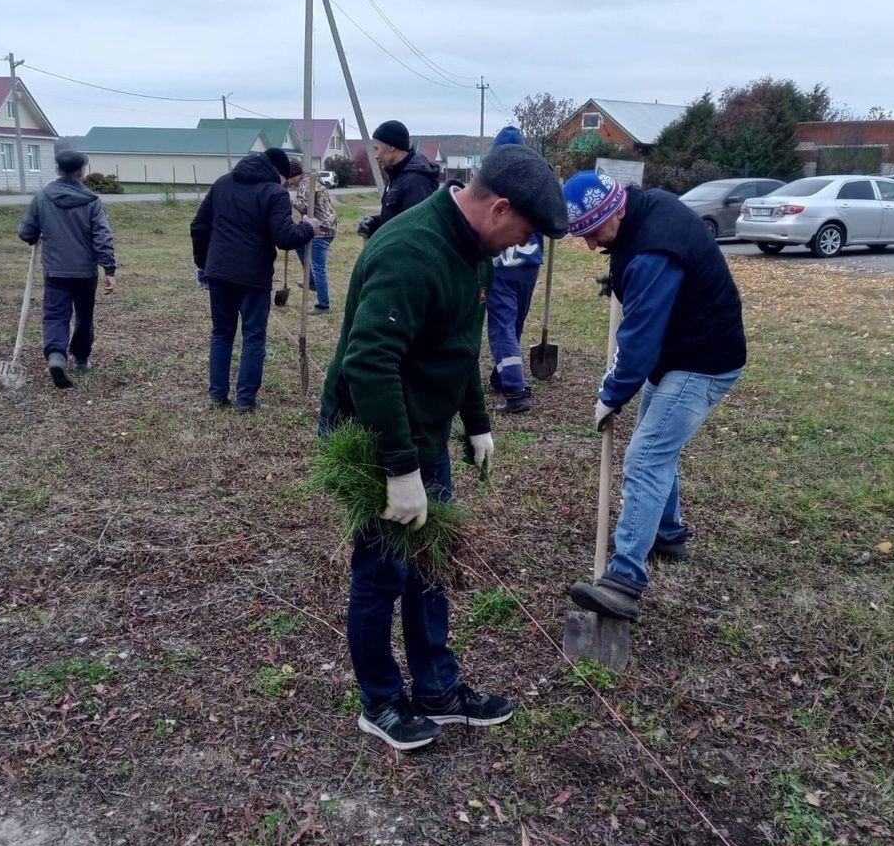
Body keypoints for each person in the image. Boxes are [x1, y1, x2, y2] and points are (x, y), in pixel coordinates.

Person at [320, 143, 569, 751]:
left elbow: (458, 347)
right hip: (373, 432)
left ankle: (437, 688)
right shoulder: (411, 252)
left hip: (424, 429)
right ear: (500, 207)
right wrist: (398, 468)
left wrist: (477, 420)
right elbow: (369, 363)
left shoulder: (474, 250)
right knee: (382, 573)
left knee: (430, 564)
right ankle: (379, 701)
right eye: (525, 230)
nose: (521, 244)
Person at [562, 171, 746, 622]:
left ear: (616, 209)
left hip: (703, 361)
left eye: (593, 232)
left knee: (646, 457)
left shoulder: (651, 254)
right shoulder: (648, 209)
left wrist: (612, 393)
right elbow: (643, 278)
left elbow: (639, 342)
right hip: (681, 352)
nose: (590, 245)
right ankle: (668, 532)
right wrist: (619, 276)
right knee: (656, 445)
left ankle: (624, 581)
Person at [190, 148, 320, 411]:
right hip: (253, 276)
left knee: (221, 333)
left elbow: (198, 226)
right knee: (253, 336)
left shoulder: (222, 183)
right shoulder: (275, 193)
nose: (285, 183)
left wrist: (204, 264)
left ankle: (217, 395)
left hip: (220, 273)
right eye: (285, 178)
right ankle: (246, 400)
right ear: (279, 172)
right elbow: (284, 237)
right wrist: (309, 228)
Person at [17, 149, 116, 389]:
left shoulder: (42, 197)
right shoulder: (92, 200)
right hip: (85, 271)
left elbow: (26, 231)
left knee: (55, 314)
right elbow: (102, 236)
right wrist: (109, 269)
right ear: (81, 171)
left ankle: (56, 356)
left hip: (55, 271)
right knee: (84, 315)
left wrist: (34, 235)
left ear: (58, 170)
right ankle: (81, 358)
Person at [484, 127, 544, 414]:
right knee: (514, 323)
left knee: (502, 327)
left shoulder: (492, 181)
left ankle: (516, 390)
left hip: (502, 266)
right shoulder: (534, 180)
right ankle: (502, 374)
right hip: (529, 266)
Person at [356, 120, 440, 240]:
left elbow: (415, 229)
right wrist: (373, 223)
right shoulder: (397, 175)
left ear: (391, 147)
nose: (376, 155)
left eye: (377, 148)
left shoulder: (417, 181)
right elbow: (397, 219)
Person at [289, 160, 339, 315]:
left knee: (318, 266)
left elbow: (303, 206)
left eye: (289, 178)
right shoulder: (310, 181)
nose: (288, 182)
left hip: (321, 228)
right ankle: (310, 279)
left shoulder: (306, 183)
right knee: (298, 243)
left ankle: (323, 304)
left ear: (293, 176)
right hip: (325, 224)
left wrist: (289, 201)